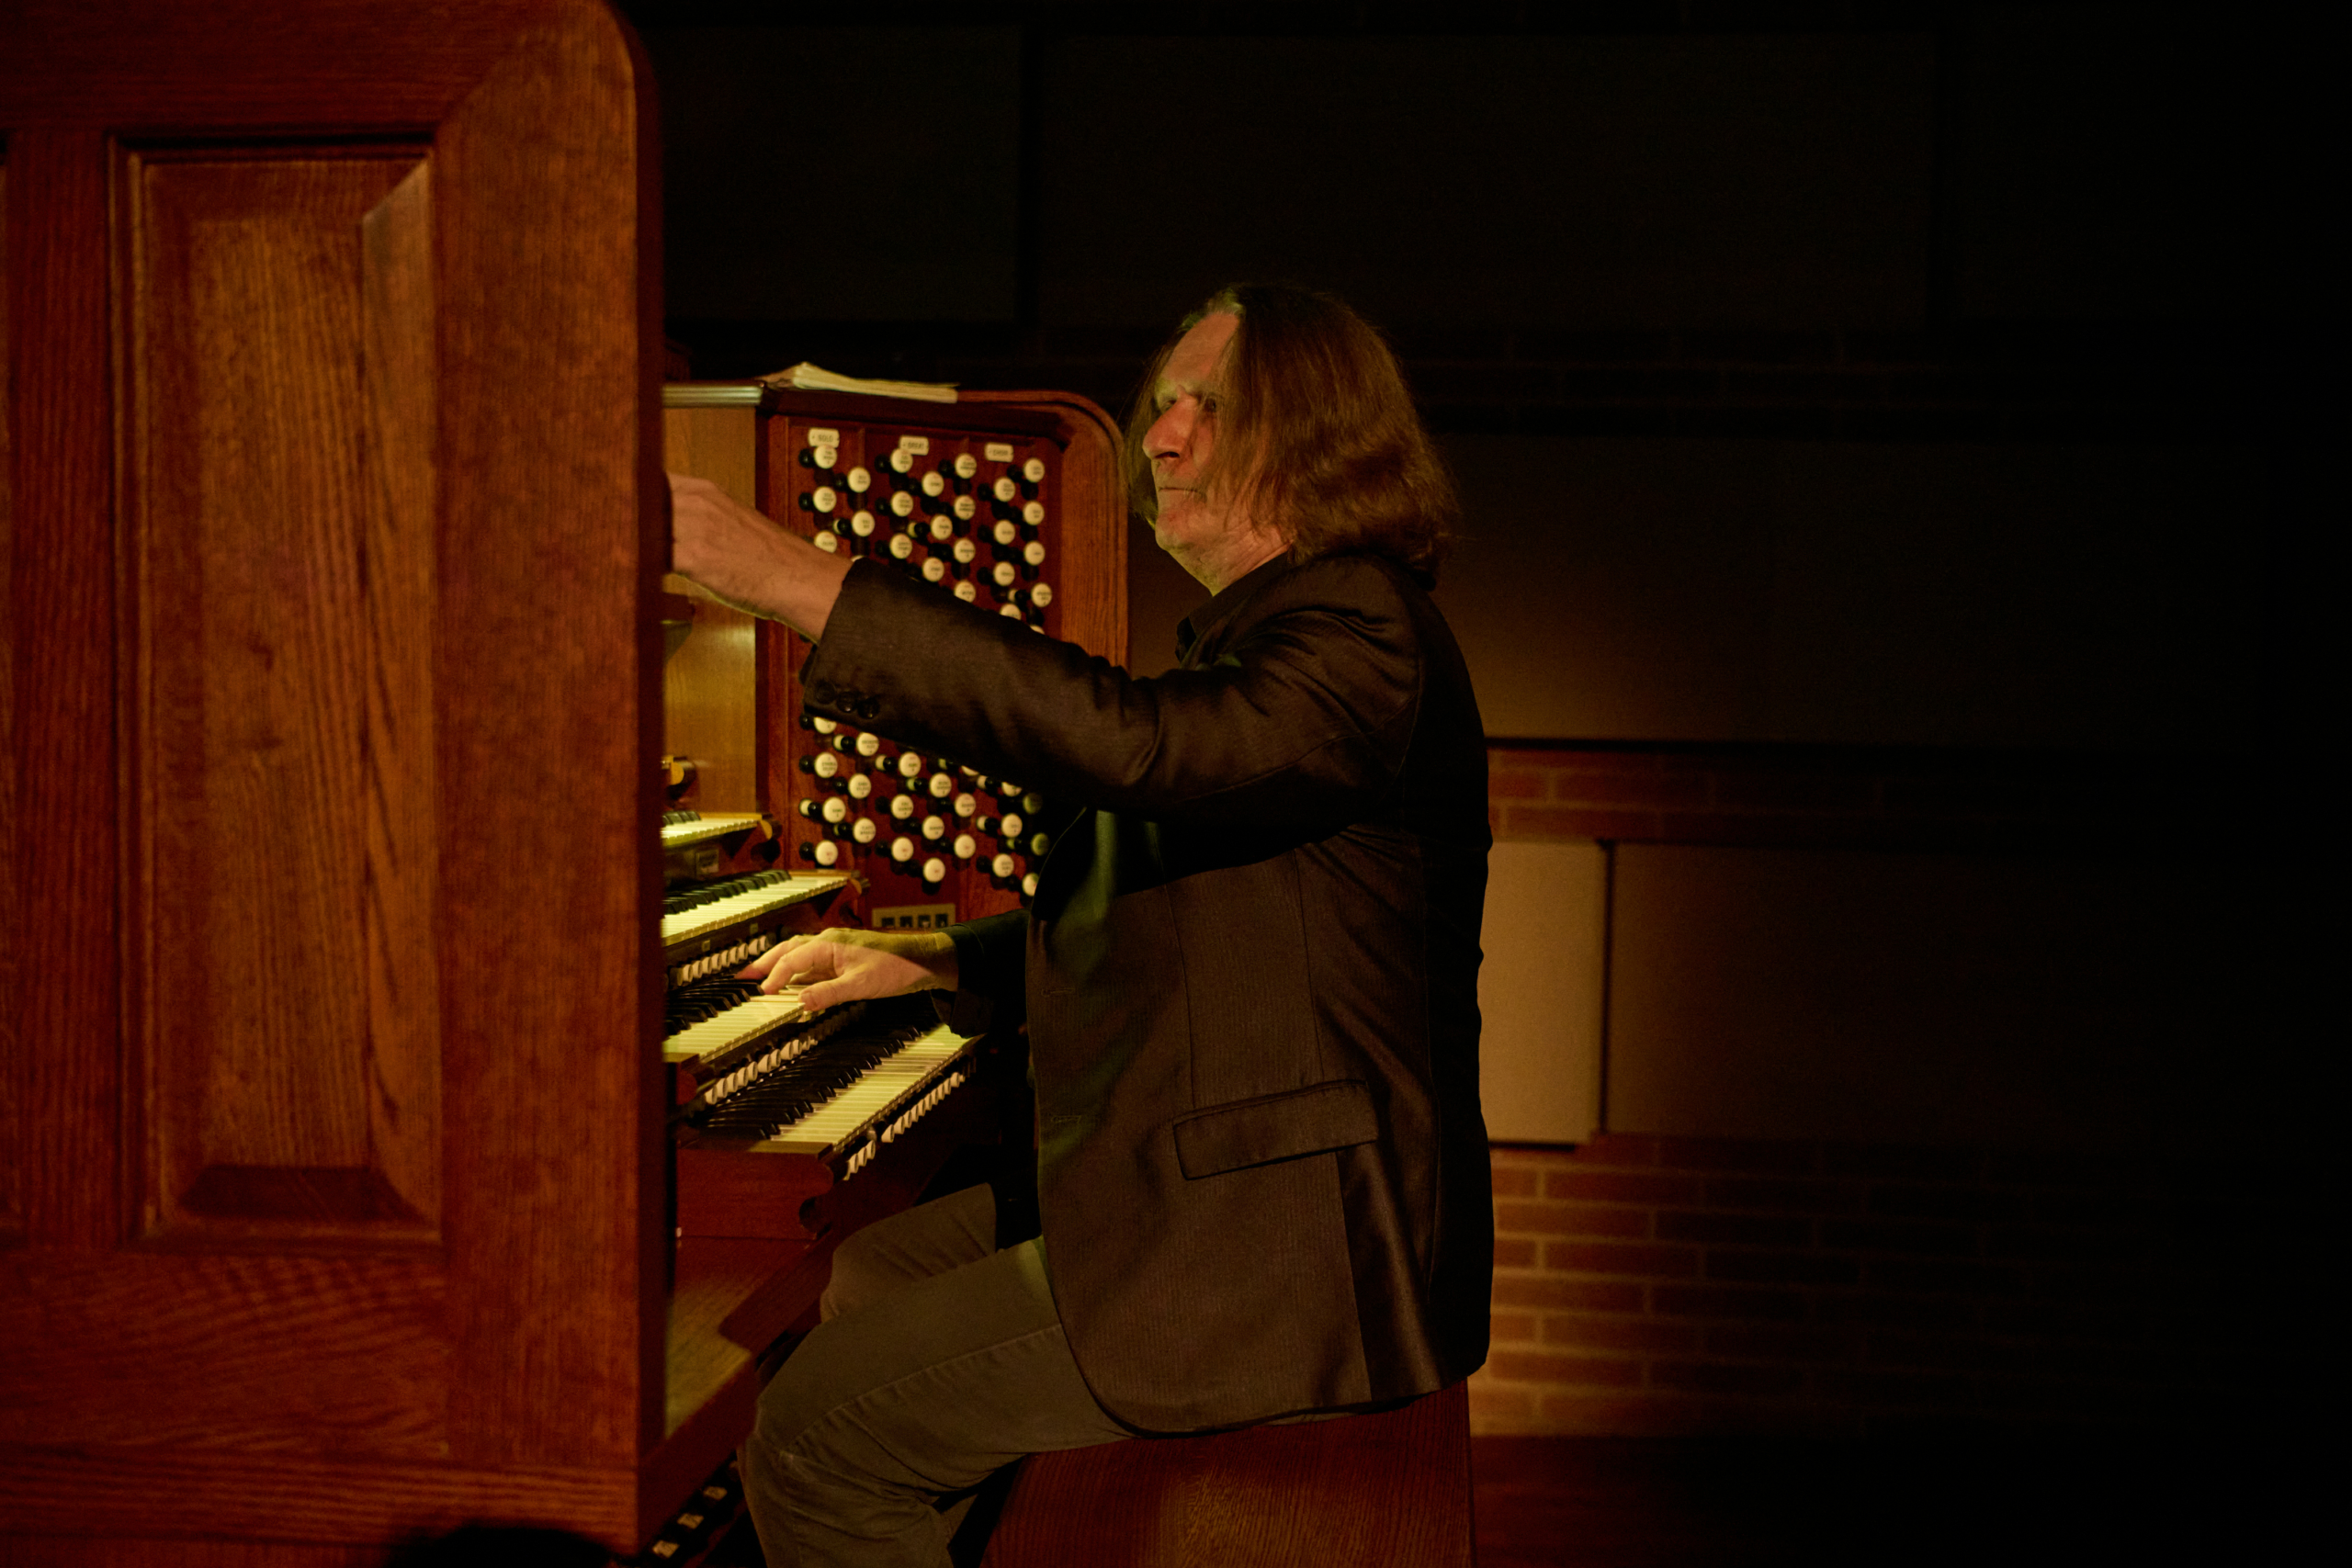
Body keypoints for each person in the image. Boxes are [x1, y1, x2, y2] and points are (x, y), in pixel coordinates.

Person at [669, 284, 1492, 1568]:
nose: (1159, 438)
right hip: (1231, 1188)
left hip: (1292, 1253)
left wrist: (788, 576)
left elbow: (1144, 754)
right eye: (1161, 403)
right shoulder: (1280, 638)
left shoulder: (1363, 631)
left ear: (1320, 432)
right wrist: (939, 956)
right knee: (880, 1275)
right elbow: (1183, 904)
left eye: (1207, 408)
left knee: (813, 1433)